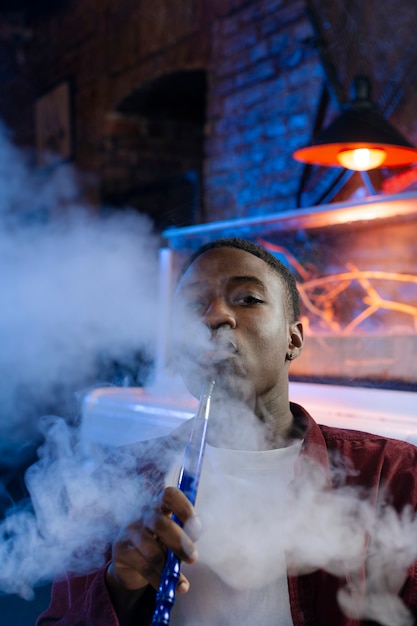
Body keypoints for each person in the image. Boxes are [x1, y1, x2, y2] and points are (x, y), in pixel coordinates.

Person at [37, 237, 417, 626]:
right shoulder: (115, 480)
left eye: (247, 299)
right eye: (192, 307)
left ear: (294, 339)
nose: (214, 317)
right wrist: (119, 585)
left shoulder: (392, 472)